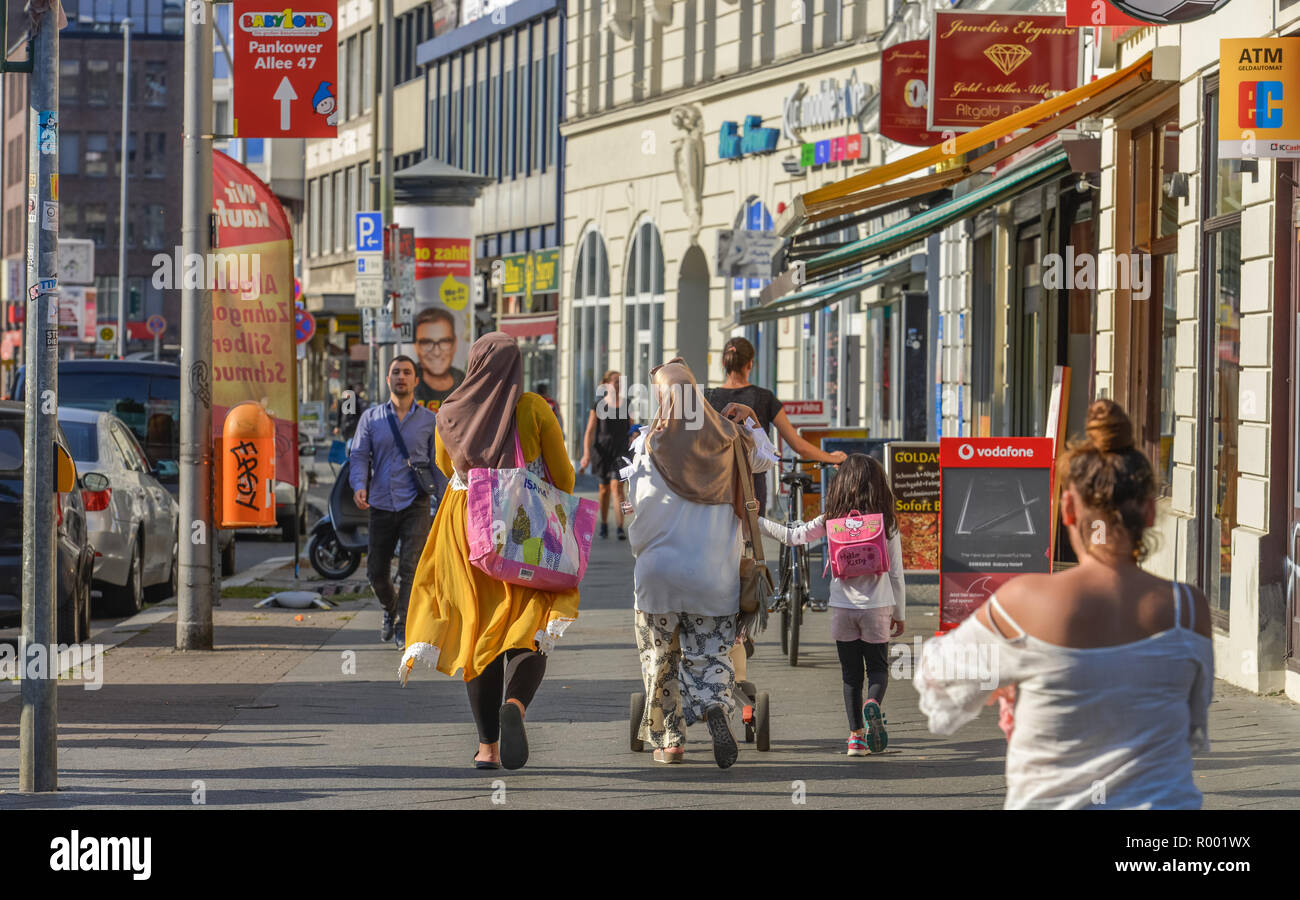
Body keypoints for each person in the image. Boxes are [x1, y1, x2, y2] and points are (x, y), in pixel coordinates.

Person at [913, 400, 1214, 809]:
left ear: (1068, 509)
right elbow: (1192, 725)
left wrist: (998, 684)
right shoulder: (1188, 609)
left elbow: (938, 679)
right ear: (1149, 510)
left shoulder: (1024, 602)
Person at [400, 332, 580, 772]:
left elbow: (446, 469)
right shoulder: (532, 408)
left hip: (465, 529)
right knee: (529, 623)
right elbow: (565, 478)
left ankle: (487, 748)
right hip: (524, 524)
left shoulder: (448, 411)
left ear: (475, 363)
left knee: (476, 630)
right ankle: (515, 705)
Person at [623, 358, 776, 768]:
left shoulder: (645, 445)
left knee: (661, 658)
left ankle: (671, 740)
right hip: (714, 576)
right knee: (710, 655)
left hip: (658, 576)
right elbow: (767, 458)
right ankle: (711, 707)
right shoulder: (731, 438)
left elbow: (634, 510)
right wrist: (752, 421)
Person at [760, 454, 904, 757]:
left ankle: (855, 739)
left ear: (841, 486)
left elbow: (793, 537)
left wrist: (755, 519)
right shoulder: (886, 522)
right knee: (877, 669)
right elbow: (896, 574)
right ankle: (873, 704)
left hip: (843, 608)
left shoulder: (832, 520)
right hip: (877, 608)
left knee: (851, 676)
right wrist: (900, 614)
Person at [348, 357, 440, 651]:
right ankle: (390, 609)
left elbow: (437, 464)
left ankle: (403, 625)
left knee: (411, 567)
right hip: (381, 502)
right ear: (388, 380)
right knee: (376, 572)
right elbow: (360, 456)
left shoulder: (429, 420)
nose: (401, 377)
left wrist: (446, 497)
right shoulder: (371, 418)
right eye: (396, 372)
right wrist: (359, 485)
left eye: (407, 373)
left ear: (416, 380)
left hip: (416, 502)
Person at [704, 337, 847, 520]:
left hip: (717, 484)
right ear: (750, 364)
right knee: (752, 541)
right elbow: (798, 445)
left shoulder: (708, 397)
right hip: (752, 486)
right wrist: (832, 458)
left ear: (724, 363)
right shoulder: (765, 398)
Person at [578, 370, 634, 540]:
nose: (619, 385)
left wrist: (635, 440)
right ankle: (603, 523)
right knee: (604, 490)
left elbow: (631, 427)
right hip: (602, 451)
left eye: (620, 382)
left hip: (621, 451)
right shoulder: (598, 405)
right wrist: (586, 454)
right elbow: (589, 431)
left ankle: (620, 526)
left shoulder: (627, 403)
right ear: (607, 384)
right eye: (616, 381)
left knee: (618, 489)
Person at [413, 307, 466, 410]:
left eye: (444, 341)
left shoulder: (465, 382)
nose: (436, 352)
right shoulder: (407, 381)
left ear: (455, 344)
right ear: (416, 346)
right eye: (427, 342)